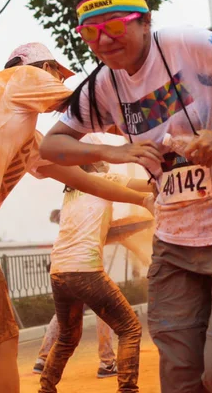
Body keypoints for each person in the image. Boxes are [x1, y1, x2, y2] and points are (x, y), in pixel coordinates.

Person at [38, 0, 212, 391]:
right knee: (180, 380)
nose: (104, 40)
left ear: (144, 21)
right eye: (91, 31)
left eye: (115, 25)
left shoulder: (180, 45)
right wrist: (114, 149)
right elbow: (52, 145)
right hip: (174, 244)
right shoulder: (103, 86)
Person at [0, 42, 154, 393]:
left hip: (25, 258)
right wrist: (151, 125)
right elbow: (86, 105)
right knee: (0, 339)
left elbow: (89, 181)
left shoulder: (20, 132)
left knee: (52, 334)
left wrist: (147, 199)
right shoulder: (17, 77)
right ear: (36, 66)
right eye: (54, 71)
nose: (55, 79)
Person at [39, 141, 153, 392]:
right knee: (130, 328)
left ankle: (45, 389)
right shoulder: (103, 178)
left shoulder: (70, 190)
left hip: (59, 270)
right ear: (93, 163)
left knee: (67, 338)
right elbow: (151, 185)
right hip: (85, 270)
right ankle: (127, 389)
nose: (106, 161)